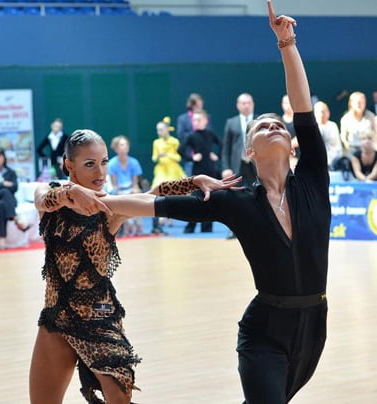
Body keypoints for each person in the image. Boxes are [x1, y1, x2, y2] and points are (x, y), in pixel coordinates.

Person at [102, 2, 330, 402]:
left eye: (278, 123)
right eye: (262, 126)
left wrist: (287, 44)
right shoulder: (235, 202)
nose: (274, 124)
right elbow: (158, 206)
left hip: (313, 328)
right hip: (263, 333)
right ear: (249, 151)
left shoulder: (313, 179)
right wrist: (102, 200)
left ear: (293, 145)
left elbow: (302, 108)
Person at [29, 129, 240, 404]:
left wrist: (194, 181)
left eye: (104, 162)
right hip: (56, 318)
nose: (100, 172)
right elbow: (42, 198)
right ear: (69, 165)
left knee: (119, 399)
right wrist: (72, 192)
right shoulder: (50, 196)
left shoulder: (111, 207)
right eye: (89, 164)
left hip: (99, 320)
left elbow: (150, 196)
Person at [222, 92, 257, 239]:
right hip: (237, 165)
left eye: (249, 103)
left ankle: (258, 227)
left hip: (255, 165)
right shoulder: (231, 122)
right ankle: (234, 229)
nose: (246, 105)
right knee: (235, 197)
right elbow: (226, 148)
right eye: (243, 103)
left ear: (253, 104)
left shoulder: (259, 121)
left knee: (258, 194)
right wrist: (225, 167)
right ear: (238, 105)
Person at [180, 109, 222, 233]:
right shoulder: (191, 136)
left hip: (210, 169)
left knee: (210, 198)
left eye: (198, 120)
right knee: (195, 199)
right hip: (198, 170)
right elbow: (180, 150)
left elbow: (222, 144)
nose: (196, 122)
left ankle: (207, 227)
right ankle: (191, 226)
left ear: (205, 120)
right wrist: (191, 157)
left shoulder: (210, 134)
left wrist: (217, 155)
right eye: (194, 120)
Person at [0, 147, 30, 249]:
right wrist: (3, 184)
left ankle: (2, 240)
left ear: (4, 158)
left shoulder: (10, 172)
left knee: (2, 204)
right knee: (4, 192)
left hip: (7, 202)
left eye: (0, 156)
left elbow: (14, 187)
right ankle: (16, 219)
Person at [151, 117, 185, 234]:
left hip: (173, 170)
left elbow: (178, 157)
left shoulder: (174, 141)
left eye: (161, 129)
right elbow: (154, 158)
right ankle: (161, 216)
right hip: (161, 170)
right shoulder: (156, 142)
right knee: (158, 191)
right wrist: (158, 156)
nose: (159, 132)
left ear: (167, 129)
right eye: (157, 130)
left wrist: (168, 155)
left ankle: (170, 216)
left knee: (172, 193)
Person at [109, 135, 143, 236]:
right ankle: (126, 226)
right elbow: (115, 186)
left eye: (126, 144)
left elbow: (135, 184)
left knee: (138, 196)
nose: (125, 146)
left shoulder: (134, 162)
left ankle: (138, 226)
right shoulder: (112, 164)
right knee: (122, 200)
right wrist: (122, 194)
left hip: (130, 190)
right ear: (116, 148)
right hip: (119, 191)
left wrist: (134, 191)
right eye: (122, 145)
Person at [177, 93, 213, 176]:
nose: (200, 107)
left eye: (201, 104)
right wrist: (194, 136)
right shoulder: (183, 119)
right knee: (192, 179)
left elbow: (209, 133)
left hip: (206, 158)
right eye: (197, 105)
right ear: (192, 105)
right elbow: (181, 135)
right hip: (191, 155)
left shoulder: (207, 117)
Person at [314, 101, 343, 169]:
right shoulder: (313, 127)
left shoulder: (333, 125)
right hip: (320, 163)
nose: (325, 113)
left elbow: (338, 145)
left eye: (326, 110)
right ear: (315, 113)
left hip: (336, 161)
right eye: (322, 111)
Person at [281, 94, 300, 169]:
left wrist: (292, 144)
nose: (288, 105)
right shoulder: (278, 122)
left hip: (299, 159)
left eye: (290, 102)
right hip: (283, 161)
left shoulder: (300, 121)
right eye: (286, 103)